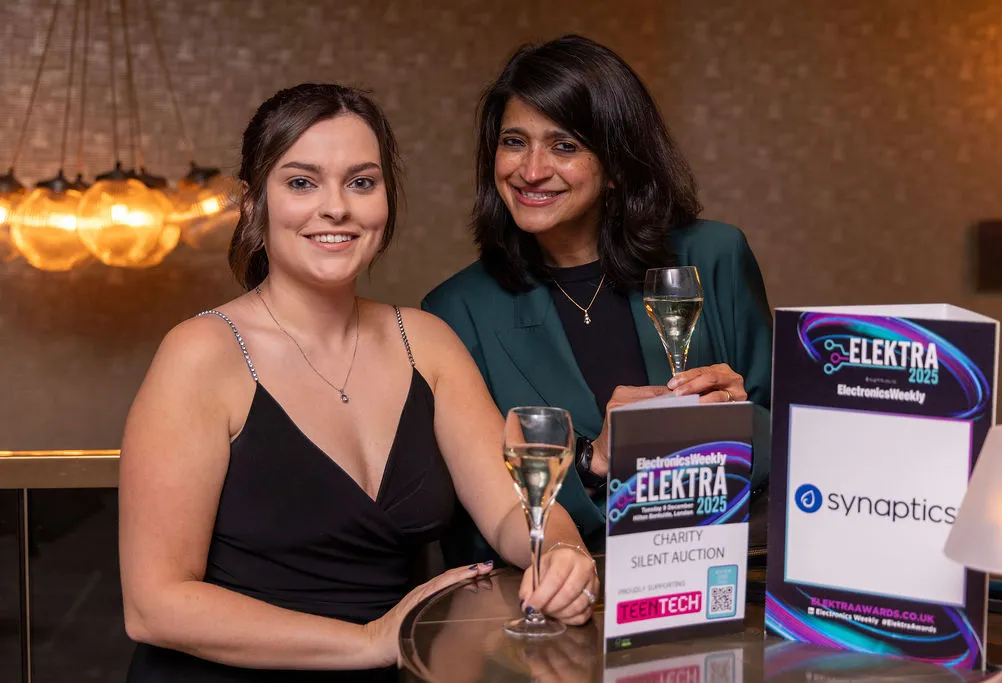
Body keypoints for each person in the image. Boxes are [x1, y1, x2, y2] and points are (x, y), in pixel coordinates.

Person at [118, 83, 597, 682]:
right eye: (302, 182)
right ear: (253, 202)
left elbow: (511, 507)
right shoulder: (201, 354)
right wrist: (368, 640)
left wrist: (561, 552)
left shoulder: (426, 342)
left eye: (361, 182)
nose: (336, 208)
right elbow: (154, 606)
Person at [422, 35, 773, 563]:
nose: (531, 170)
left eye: (564, 146)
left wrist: (736, 423)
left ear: (617, 165)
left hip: (715, 574)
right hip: (562, 592)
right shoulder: (456, 311)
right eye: (514, 142)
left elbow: (793, 440)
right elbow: (469, 523)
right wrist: (592, 460)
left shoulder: (713, 257)